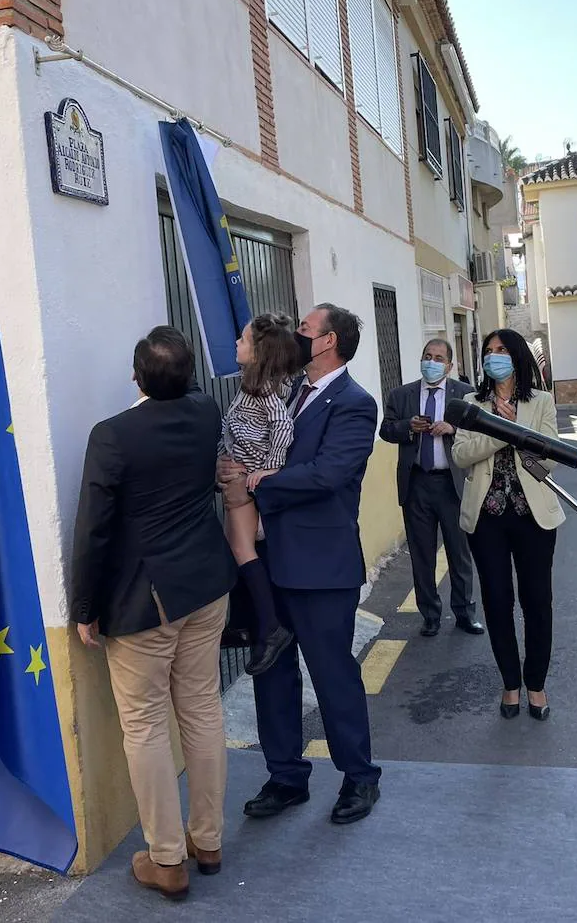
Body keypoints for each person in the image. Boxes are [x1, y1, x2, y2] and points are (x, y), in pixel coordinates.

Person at [70, 326, 237, 899]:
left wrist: (84, 608)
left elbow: (92, 528)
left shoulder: (113, 436)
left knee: (144, 725)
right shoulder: (205, 413)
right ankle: (208, 840)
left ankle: (166, 858)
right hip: (207, 587)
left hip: (148, 603)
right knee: (201, 709)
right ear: (189, 377)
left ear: (135, 377)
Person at [220, 304, 383, 825]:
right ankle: (286, 777)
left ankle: (359, 777)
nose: (295, 336)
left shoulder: (355, 403)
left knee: (332, 673)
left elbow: (328, 474)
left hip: (320, 565)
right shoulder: (285, 391)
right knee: (272, 673)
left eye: (305, 331)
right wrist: (234, 467)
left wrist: (257, 481)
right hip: (268, 559)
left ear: (329, 341)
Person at [452, 329, 566, 720]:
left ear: (517, 357)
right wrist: (504, 433)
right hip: (487, 517)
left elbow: (548, 459)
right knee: (497, 602)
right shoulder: (471, 402)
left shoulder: (541, 402)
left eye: (501, 350)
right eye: (488, 351)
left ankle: (536, 684)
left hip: (533, 515)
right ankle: (510, 685)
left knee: (537, 602)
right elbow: (463, 454)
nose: (493, 357)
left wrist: (517, 426)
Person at [379, 339, 483, 638]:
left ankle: (464, 612)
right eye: (427, 356)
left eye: (438, 358)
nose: (432, 362)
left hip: (453, 484)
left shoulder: (466, 394)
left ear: (449, 366)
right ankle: (430, 615)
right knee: (421, 554)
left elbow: (480, 430)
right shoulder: (402, 395)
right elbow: (386, 429)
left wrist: (453, 429)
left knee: (459, 552)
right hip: (416, 483)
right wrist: (408, 427)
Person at [221, 312, 300, 674]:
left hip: (248, 482)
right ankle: (242, 623)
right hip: (243, 477)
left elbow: (282, 427)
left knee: (241, 547)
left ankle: (268, 627)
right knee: (235, 545)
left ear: (258, 352)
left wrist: (267, 469)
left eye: (243, 340)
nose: (237, 344)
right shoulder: (252, 383)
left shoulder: (263, 387)